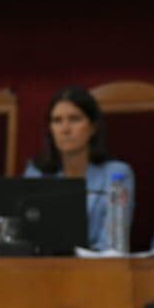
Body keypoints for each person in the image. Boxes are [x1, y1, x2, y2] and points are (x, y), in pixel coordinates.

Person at [23, 86, 133, 250]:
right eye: (57, 121)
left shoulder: (117, 174)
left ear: (93, 127)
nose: (65, 129)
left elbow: (112, 246)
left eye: (74, 119)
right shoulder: (35, 173)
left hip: (95, 269)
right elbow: (26, 237)